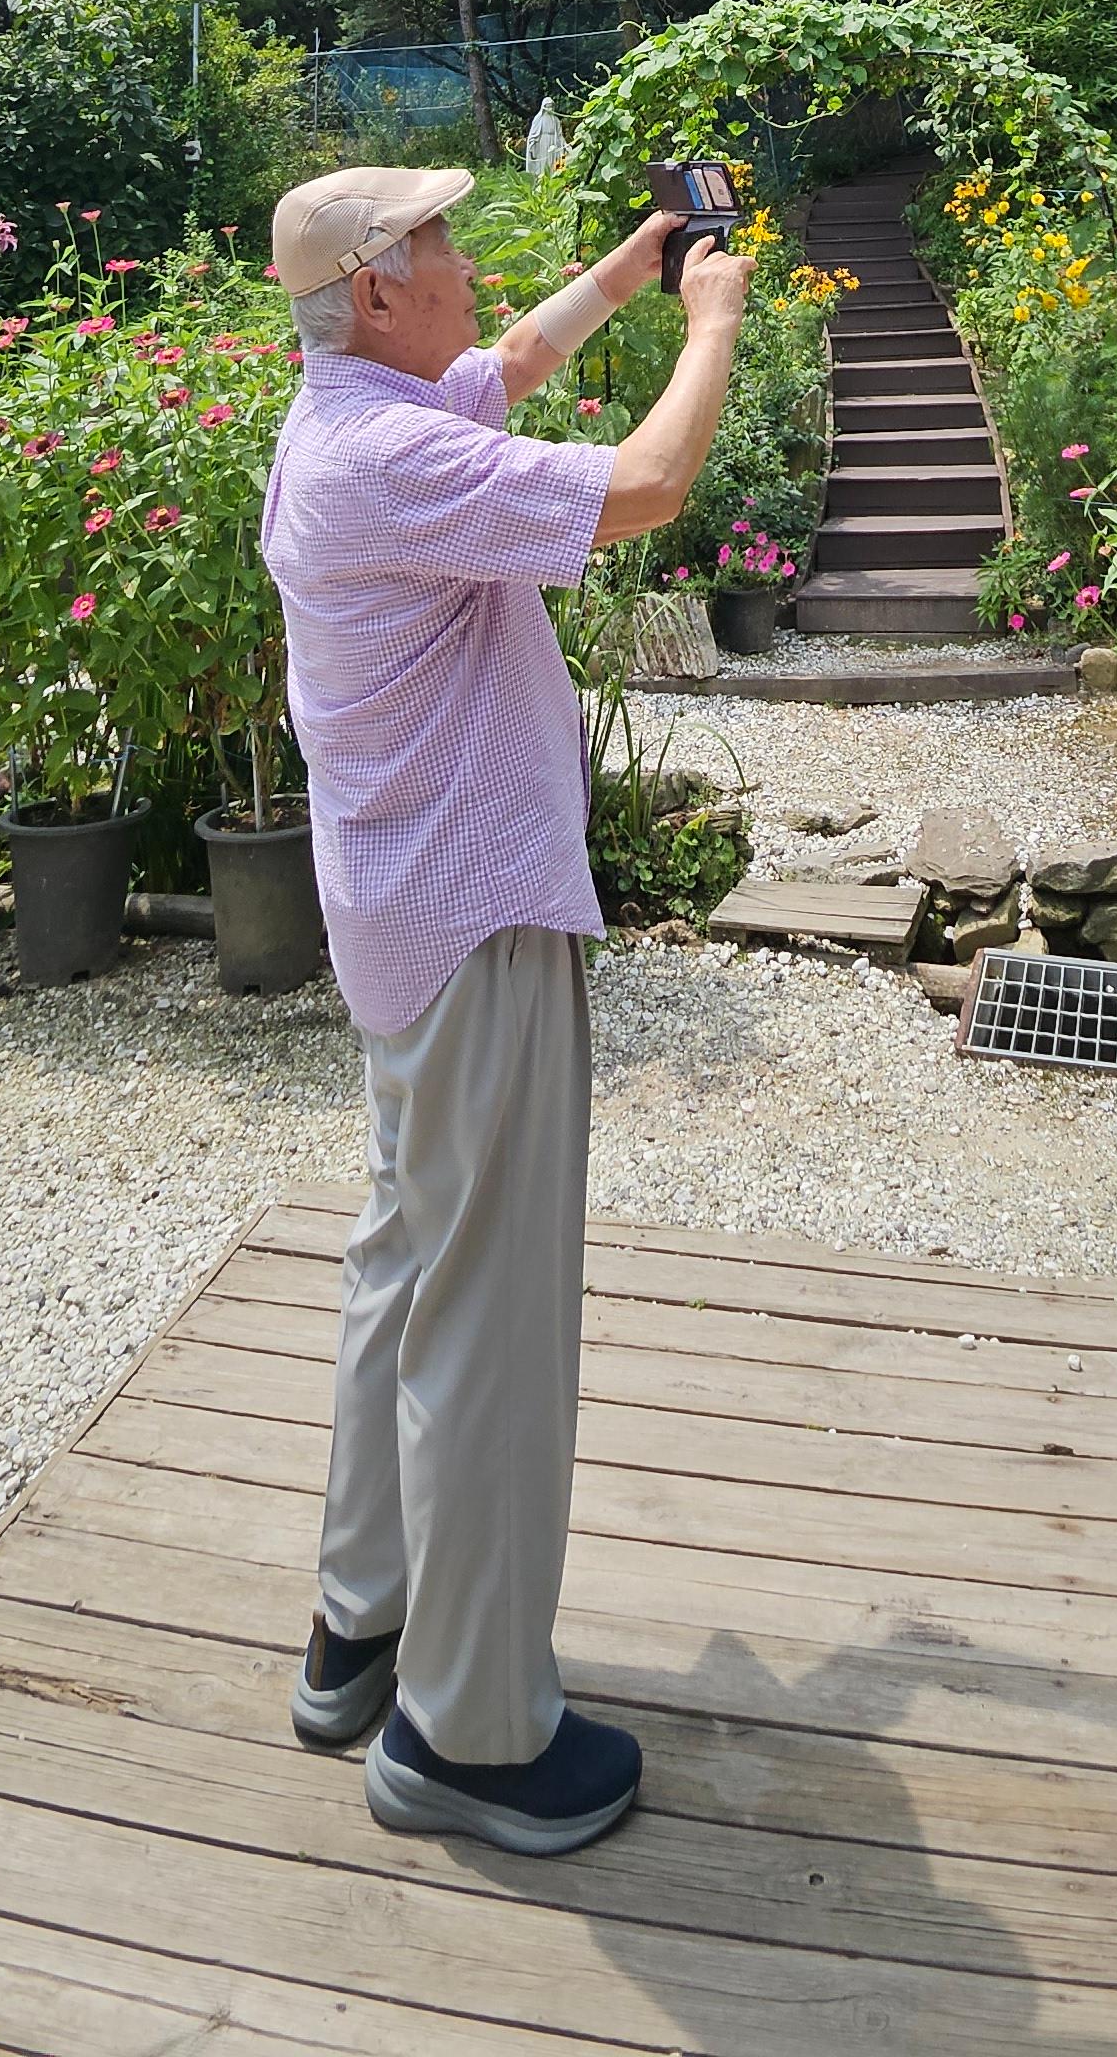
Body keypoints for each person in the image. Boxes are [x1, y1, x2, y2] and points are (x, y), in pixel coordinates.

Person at [257, 157, 752, 1856]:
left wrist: (629, 267)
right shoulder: (388, 461)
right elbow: (648, 487)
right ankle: (465, 1736)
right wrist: (712, 316)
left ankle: (364, 1629)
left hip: (408, 921)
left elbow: (516, 363)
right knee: (488, 1315)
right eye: (446, 243)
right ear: (379, 286)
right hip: (476, 924)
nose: (470, 268)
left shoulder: (351, 417)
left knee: (408, 1263)